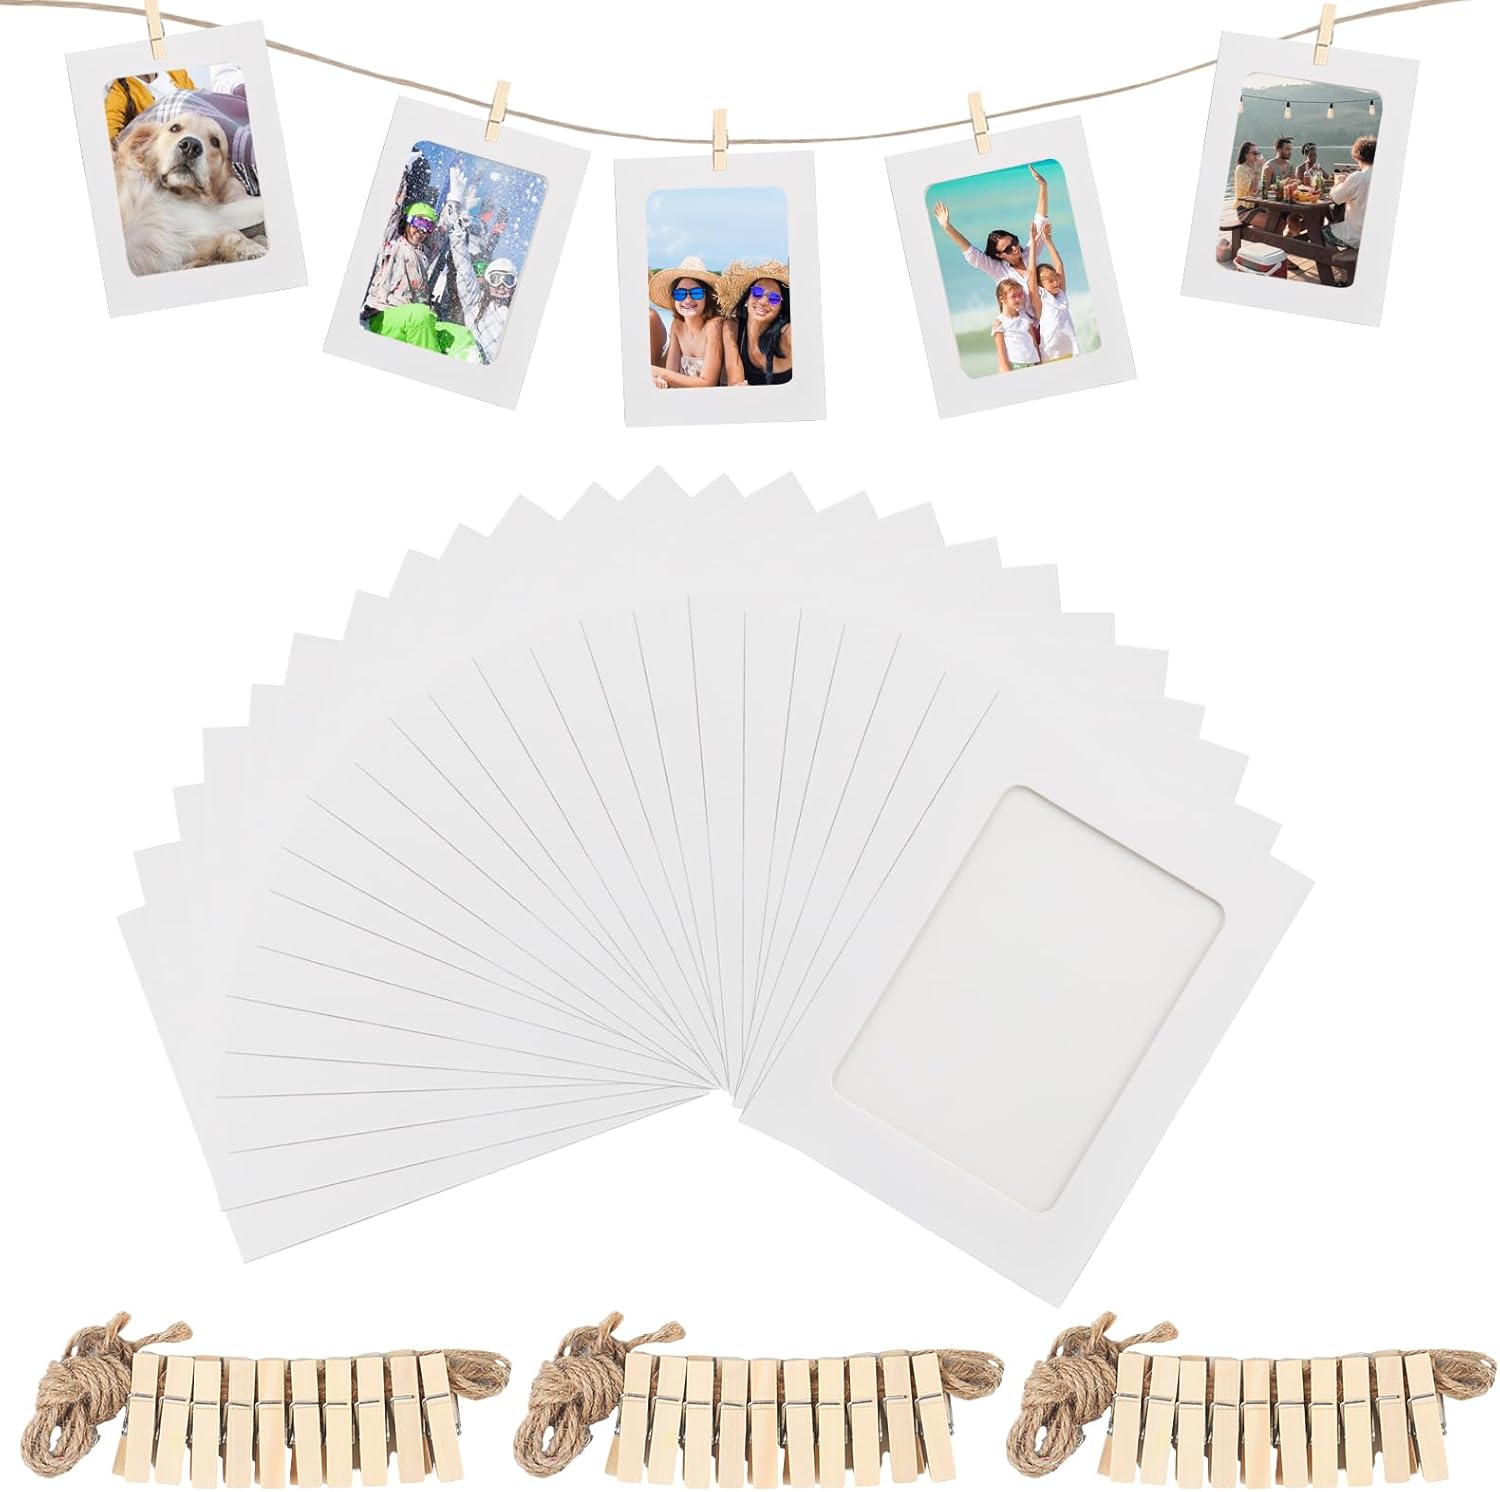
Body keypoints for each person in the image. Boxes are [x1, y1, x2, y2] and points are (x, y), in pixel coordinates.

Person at [361, 202, 477, 359]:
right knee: (421, 315)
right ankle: (429, 365)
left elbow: (441, 231)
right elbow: (392, 210)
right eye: (419, 222)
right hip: (381, 317)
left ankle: (465, 365)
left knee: (460, 334)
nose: (421, 231)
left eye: (428, 227)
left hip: (411, 321)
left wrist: (454, 202)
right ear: (407, 220)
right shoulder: (392, 243)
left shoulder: (424, 255)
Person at [931, 163, 1049, 298]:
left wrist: (1043, 186)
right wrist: (947, 227)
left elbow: (1040, 221)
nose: (1015, 248)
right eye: (1008, 249)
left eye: (1014, 242)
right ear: (1000, 255)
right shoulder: (998, 270)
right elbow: (971, 253)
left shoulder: (1030, 253)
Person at [647, 256, 724, 389]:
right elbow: (671, 374)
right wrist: (660, 379)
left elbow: (707, 383)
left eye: (696, 293)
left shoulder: (714, 326)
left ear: (707, 296)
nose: (687, 300)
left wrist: (656, 371)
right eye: (680, 294)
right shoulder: (677, 325)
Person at [719, 261, 792, 386]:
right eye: (757, 292)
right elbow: (736, 383)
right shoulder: (732, 328)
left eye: (774, 298)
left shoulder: (786, 335)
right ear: (746, 299)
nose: (763, 301)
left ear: (781, 308)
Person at [1027, 220, 1078, 362]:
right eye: (1050, 280)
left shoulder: (1061, 295)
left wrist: (1048, 240)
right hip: (1050, 355)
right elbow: (1031, 273)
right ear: (1040, 284)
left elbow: (1059, 265)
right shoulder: (1040, 301)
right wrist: (1033, 244)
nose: (1056, 282)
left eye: (1056, 279)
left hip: (1071, 351)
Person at [105, 71, 195, 139]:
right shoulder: (120, 90)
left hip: (194, 128)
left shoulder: (176, 72)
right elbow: (110, 132)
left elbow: (197, 99)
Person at [1325, 134, 1375, 250]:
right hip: (1376, 233)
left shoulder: (1358, 177)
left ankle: (1336, 260)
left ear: (1358, 157)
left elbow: (1335, 197)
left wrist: (1339, 182)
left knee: (1324, 231)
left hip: (1357, 236)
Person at [993, 277, 1040, 374]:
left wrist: (1040, 362)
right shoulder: (1000, 323)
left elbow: (1034, 343)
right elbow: (1001, 354)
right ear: (1002, 299)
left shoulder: (1025, 317)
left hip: (1034, 362)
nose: (1018, 299)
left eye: (1020, 295)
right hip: (1017, 365)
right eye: (1014, 296)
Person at [1232, 142, 1269, 230]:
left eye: (1258, 153)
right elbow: (1252, 188)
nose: (1257, 156)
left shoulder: (1253, 168)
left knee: (1279, 221)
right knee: (1273, 223)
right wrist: (1258, 170)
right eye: (1254, 153)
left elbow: (1260, 188)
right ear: (1246, 155)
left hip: (1258, 206)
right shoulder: (1241, 169)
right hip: (1245, 209)